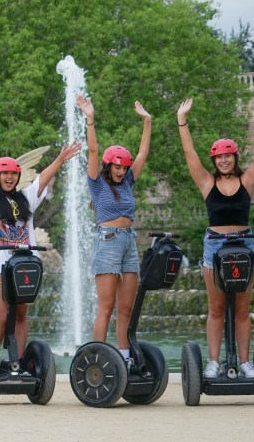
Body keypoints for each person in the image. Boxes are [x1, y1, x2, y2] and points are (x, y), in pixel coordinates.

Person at [176, 98, 254, 379]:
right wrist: (182, 119)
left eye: (228, 155)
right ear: (214, 160)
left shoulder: (248, 181)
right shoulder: (207, 183)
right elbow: (188, 151)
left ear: (235, 157)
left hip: (244, 245)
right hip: (215, 247)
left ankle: (244, 362)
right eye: (219, 156)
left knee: (242, 309)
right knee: (216, 307)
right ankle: (214, 362)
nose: (224, 159)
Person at [0, 135, 81, 377]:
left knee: (21, 314)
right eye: (5, 174)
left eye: (14, 174)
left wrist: (61, 159)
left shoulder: (26, 199)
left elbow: (42, 179)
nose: (10, 177)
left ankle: (19, 363)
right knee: (2, 315)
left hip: (23, 265)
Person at [77, 95, 152, 368]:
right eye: (117, 167)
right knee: (106, 307)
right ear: (109, 166)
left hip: (129, 242)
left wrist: (147, 121)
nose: (121, 171)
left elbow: (143, 154)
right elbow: (94, 151)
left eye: (124, 167)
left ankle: (123, 359)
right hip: (107, 241)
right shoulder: (97, 183)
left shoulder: (129, 181)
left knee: (126, 309)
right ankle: (96, 360)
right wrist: (90, 118)